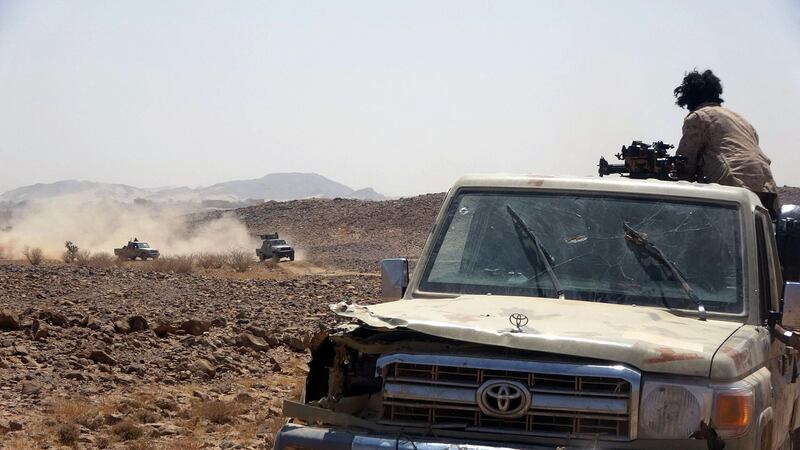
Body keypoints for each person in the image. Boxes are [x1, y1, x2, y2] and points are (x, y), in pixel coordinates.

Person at [674, 69, 778, 218]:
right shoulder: (741, 120)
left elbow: (685, 163)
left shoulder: (698, 117)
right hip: (766, 186)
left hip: (734, 185)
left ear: (689, 98)